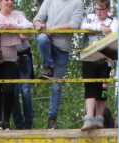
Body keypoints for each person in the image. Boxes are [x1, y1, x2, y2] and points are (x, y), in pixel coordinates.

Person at [34, 0, 84, 129]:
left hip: (63, 48)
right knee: (41, 38)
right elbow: (37, 19)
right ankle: (48, 66)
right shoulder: (49, 1)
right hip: (48, 40)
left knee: (56, 85)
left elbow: (76, 24)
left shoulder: (77, 2)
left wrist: (54, 28)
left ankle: (52, 118)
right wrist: (39, 25)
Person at [0, 0, 32, 130]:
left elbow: (29, 26)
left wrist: (15, 27)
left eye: (12, 0)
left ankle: (6, 120)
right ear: (0, 2)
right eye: (6, 0)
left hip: (11, 58)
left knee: (9, 89)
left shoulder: (17, 14)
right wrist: (8, 26)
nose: (10, 2)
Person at [79, 0, 117, 131]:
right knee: (89, 86)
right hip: (89, 58)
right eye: (97, 9)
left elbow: (116, 34)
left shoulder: (114, 21)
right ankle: (89, 117)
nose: (99, 13)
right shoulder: (89, 18)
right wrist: (99, 28)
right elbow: (79, 25)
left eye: (102, 10)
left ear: (108, 10)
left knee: (103, 89)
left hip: (105, 60)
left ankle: (99, 118)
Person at [12, 29, 35, 129]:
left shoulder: (20, 17)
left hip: (24, 57)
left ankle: (28, 122)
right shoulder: (1, 20)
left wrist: (10, 31)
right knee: (14, 92)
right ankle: (18, 123)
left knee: (25, 91)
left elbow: (25, 36)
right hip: (10, 59)